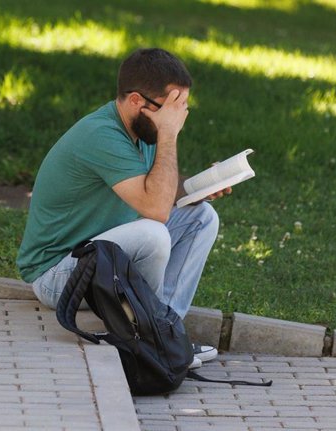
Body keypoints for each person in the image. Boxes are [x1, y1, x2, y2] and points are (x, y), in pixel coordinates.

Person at [17, 48, 230, 368]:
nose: (177, 117)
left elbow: (153, 190)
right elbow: (156, 210)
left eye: (182, 107)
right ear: (135, 101)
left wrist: (203, 186)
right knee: (153, 234)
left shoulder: (141, 128)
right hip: (58, 276)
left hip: (100, 258)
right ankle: (149, 338)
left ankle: (166, 333)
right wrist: (168, 134)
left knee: (202, 217)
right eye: (170, 108)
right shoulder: (102, 135)